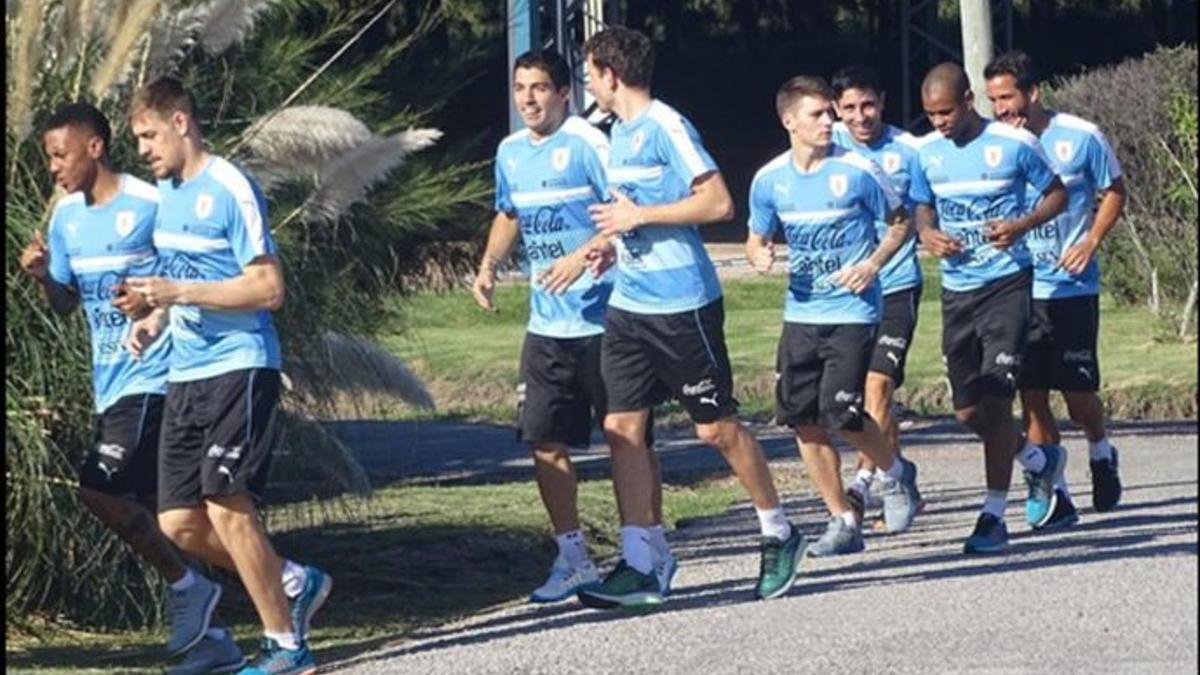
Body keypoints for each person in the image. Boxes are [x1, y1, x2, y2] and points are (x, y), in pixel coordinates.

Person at [574, 26, 805, 609]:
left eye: (588, 74)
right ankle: (642, 561)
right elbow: (630, 218)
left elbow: (719, 203)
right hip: (629, 303)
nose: (587, 84)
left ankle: (780, 531)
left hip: (683, 304)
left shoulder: (666, 126)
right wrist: (611, 240)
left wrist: (641, 217)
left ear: (611, 74)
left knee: (714, 428)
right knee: (621, 430)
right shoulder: (617, 134)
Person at [19, 102, 244, 674]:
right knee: (164, 512)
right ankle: (219, 636)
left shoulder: (149, 203)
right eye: (48, 157)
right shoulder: (68, 218)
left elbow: (187, 274)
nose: (53, 167)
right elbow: (69, 303)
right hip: (109, 382)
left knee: (97, 489)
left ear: (95, 147)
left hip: (156, 373)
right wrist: (46, 276)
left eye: (60, 154)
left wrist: (152, 300)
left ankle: (191, 585)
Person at [124, 77, 330, 674]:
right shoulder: (167, 194)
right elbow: (183, 279)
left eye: (149, 135)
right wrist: (154, 315)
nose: (142, 149)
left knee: (225, 504)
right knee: (178, 521)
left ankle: (287, 647)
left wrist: (180, 291)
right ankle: (291, 579)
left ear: (181, 122)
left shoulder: (230, 186)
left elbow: (269, 289)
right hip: (184, 373)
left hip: (239, 366)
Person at [473, 48, 645, 603]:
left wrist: (586, 254)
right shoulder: (510, 152)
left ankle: (641, 553)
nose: (527, 98)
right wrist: (489, 266)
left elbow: (628, 213)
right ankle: (573, 557)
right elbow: (510, 213)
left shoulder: (589, 144)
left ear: (565, 93)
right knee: (544, 441)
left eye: (540, 87)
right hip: (547, 326)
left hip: (607, 317)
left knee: (625, 439)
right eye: (520, 87)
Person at [746, 75, 922, 558]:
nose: (831, 122)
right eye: (818, 115)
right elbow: (756, 235)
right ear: (789, 122)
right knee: (803, 419)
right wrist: (759, 254)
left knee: (841, 412)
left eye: (831, 113)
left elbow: (902, 222)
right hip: (800, 312)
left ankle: (894, 473)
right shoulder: (769, 179)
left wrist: (871, 264)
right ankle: (843, 518)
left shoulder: (861, 170)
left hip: (853, 310)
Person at [910, 63, 1068, 554]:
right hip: (958, 292)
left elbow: (1057, 194)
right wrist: (926, 233)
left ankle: (993, 516)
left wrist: (1021, 225)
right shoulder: (926, 153)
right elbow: (921, 205)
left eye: (946, 111)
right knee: (966, 412)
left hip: (1008, 285)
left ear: (968, 100)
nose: (939, 122)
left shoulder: (1014, 144)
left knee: (999, 399)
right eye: (930, 114)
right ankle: (1040, 464)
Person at [985, 49, 1126, 526]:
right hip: (1019, 288)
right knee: (1032, 393)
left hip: (1071, 287)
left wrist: (1090, 240)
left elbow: (1115, 191)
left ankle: (1101, 452)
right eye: (993, 101)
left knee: (1079, 396)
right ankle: (1057, 493)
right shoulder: (994, 144)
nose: (1002, 109)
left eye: (1008, 98)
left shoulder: (1080, 137)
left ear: (1033, 92)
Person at [830, 65, 928, 527]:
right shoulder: (825, 145)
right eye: (848, 107)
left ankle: (864, 484)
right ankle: (899, 476)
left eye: (867, 105)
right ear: (835, 109)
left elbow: (930, 207)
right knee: (849, 399)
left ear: (883, 101)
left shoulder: (910, 149)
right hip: (847, 295)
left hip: (897, 283)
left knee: (878, 387)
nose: (860, 116)